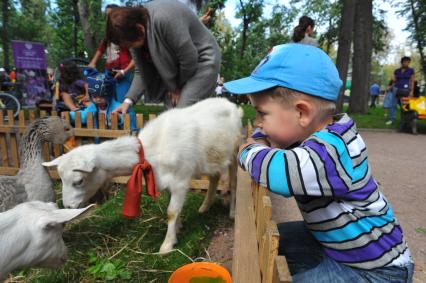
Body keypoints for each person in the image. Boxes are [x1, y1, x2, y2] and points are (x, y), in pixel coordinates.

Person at [224, 43, 414, 282]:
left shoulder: (332, 151)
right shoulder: (309, 136)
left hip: (377, 271)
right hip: (337, 245)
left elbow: (279, 173)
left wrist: (246, 150)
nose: (257, 122)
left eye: (262, 113)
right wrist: (263, 137)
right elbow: (274, 146)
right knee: (271, 239)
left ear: (302, 113)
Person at [106, 1, 221, 113]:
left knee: (182, 112)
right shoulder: (133, 33)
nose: (130, 48)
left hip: (203, 61)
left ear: (140, 28)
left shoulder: (164, 19)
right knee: (170, 112)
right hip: (179, 70)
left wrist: (176, 87)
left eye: (130, 45)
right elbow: (141, 71)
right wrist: (128, 101)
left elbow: (189, 58)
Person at [88, 4, 135, 103]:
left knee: (123, 101)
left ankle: (126, 118)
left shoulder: (127, 34)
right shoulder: (108, 34)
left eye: (110, 16)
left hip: (124, 73)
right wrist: (93, 62)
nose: (107, 19)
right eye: (106, 16)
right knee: (106, 100)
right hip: (108, 72)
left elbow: (136, 58)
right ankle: (108, 118)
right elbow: (101, 48)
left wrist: (124, 71)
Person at [71, 68, 137, 131]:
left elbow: (127, 118)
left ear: (109, 95)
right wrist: (70, 115)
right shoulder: (93, 107)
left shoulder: (117, 107)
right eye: (94, 97)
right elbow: (83, 116)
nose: (98, 99)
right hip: (99, 139)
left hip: (116, 139)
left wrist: (119, 118)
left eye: (102, 96)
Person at [386, 56, 415, 125]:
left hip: (405, 90)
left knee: (404, 106)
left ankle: (404, 120)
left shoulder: (411, 70)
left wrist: (411, 91)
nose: (407, 63)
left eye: (408, 62)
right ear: (402, 62)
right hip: (396, 89)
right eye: (405, 62)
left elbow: (412, 81)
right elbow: (394, 81)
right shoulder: (397, 71)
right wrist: (390, 86)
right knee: (393, 104)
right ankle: (391, 119)